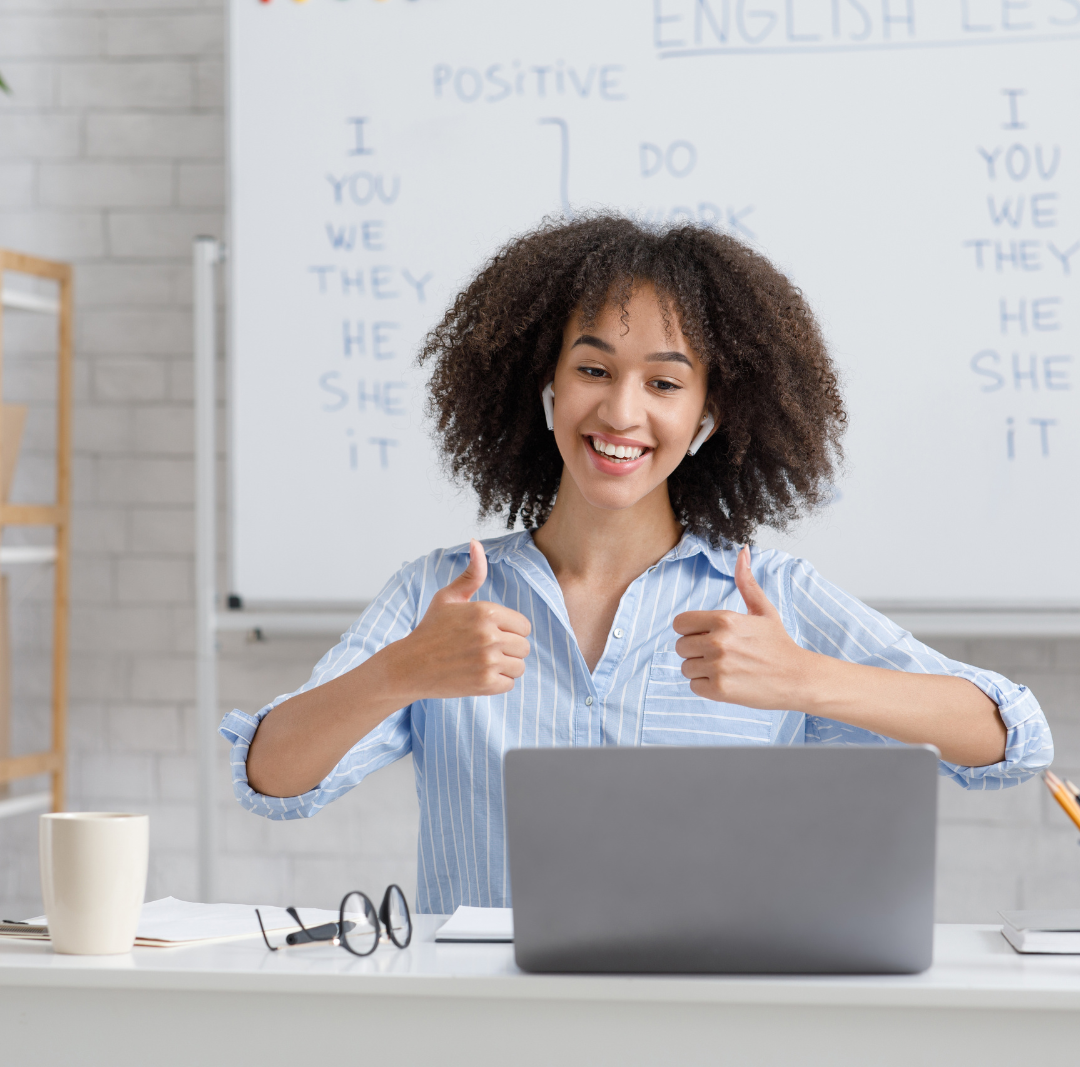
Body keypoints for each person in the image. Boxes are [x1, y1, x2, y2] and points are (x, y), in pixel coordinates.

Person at [221, 215, 1052, 914]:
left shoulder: (771, 600)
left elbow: (1013, 741)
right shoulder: (441, 599)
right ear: (543, 386)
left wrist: (805, 681)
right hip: (479, 1031)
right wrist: (399, 672)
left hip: (704, 1028)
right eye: (592, 370)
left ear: (709, 415)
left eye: (664, 383)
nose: (621, 411)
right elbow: (271, 780)